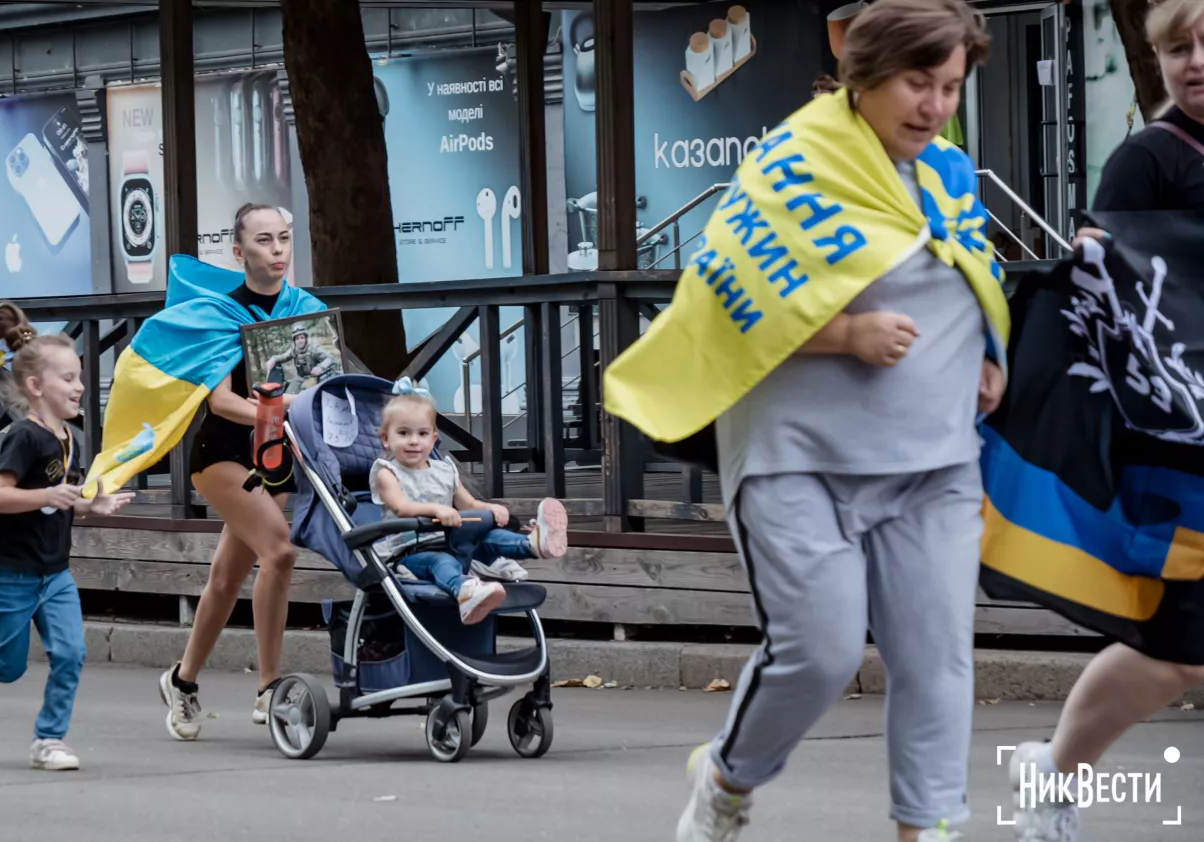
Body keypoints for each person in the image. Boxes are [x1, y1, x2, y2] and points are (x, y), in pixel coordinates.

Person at [600, 0, 1011, 840]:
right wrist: (847, 332)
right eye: (916, 83)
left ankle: (928, 828)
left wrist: (992, 350)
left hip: (933, 462)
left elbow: (971, 267)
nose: (934, 106)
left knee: (936, 663)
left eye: (949, 87)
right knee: (819, 654)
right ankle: (726, 778)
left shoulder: (949, 172)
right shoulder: (794, 164)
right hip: (799, 458)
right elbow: (725, 297)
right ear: (864, 77)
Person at [1005, 2, 1204, 839]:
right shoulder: (1146, 161)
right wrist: (1091, 259)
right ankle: (1054, 776)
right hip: (1182, 451)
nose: (1193, 62)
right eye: (1176, 50)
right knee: (1176, 654)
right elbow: (1107, 296)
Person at [155, 203, 327, 740]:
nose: (277, 250)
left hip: (278, 458)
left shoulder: (305, 310)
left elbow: (327, 379)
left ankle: (181, 682)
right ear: (239, 252)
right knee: (280, 550)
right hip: (222, 457)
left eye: (283, 239)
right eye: (263, 241)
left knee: (227, 579)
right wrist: (280, 410)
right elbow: (222, 403)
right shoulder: (219, 315)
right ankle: (269, 689)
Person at [0, 302, 135, 771]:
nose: (80, 386)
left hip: (54, 572)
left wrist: (91, 505)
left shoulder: (68, 437)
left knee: (70, 653)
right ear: (35, 386)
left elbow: (56, 501)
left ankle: (49, 739)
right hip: (9, 573)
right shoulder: (24, 437)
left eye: (80, 377)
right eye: (68, 378)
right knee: (7, 669)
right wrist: (49, 491)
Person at [369, 378, 569, 624]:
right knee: (441, 561)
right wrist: (437, 509)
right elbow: (401, 508)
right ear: (386, 439)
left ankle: (533, 544)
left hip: (455, 544)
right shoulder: (387, 473)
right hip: (413, 552)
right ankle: (465, 590)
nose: (413, 441)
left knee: (488, 538)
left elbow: (468, 505)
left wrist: (492, 508)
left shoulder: (445, 470)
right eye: (403, 433)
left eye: (421, 434)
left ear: (433, 439)